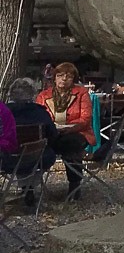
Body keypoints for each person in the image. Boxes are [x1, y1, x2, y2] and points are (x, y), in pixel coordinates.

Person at [37, 61, 94, 200]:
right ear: (54, 77)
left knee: (71, 143)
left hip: (77, 132)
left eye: (68, 76)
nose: (64, 79)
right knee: (66, 146)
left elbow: (85, 118)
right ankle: (29, 187)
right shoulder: (43, 96)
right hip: (52, 133)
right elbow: (40, 118)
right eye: (60, 75)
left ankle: (74, 185)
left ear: (74, 79)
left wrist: (71, 128)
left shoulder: (81, 93)